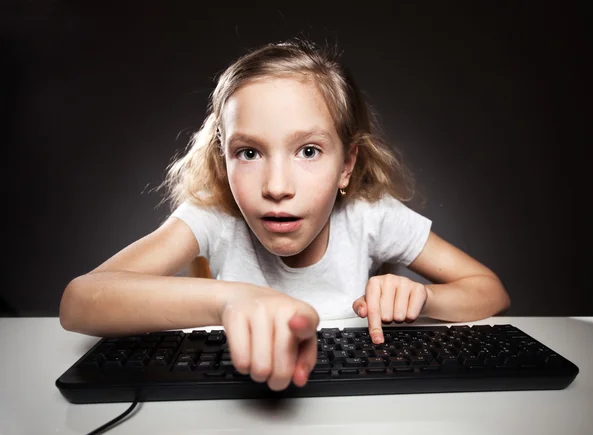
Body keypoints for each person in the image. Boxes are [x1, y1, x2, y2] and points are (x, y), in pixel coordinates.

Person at [59, 39, 511, 392]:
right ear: (223, 158)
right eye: (249, 152)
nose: (277, 187)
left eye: (308, 151)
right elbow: (81, 301)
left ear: (347, 165)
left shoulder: (369, 216)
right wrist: (232, 299)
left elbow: (489, 291)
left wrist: (424, 300)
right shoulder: (215, 218)